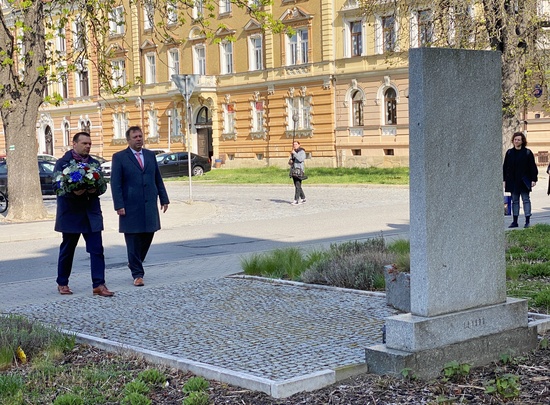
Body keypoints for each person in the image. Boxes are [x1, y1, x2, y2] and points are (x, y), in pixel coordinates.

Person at [54, 132, 114, 297]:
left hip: (91, 213)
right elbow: (57, 187)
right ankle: (62, 282)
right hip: (71, 214)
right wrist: (74, 192)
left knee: (97, 250)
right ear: (74, 144)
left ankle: (99, 285)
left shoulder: (94, 163)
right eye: (84, 143)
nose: (88, 146)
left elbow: (102, 185)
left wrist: (96, 189)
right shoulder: (63, 163)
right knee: (68, 249)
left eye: (89, 143)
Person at [110, 126, 170, 286]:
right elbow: (115, 183)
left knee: (149, 234)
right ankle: (137, 274)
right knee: (133, 239)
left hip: (149, 204)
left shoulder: (150, 155)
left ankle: (135, 262)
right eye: (135, 137)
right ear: (128, 140)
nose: (138, 139)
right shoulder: (120, 157)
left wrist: (164, 198)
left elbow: (157, 178)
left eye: (140, 136)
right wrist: (119, 204)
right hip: (130, 206)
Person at [503, 132, 538, 228]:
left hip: (524, 181)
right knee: (514, 201)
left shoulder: (527, 152)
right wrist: (505, 180)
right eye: (515, 139)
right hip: (513, 181)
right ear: (513, 141)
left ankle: (527, 220)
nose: (516, 141)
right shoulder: (509, 153)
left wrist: (533, 179)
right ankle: (515, 221)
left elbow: (532, 167)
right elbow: (505, 167)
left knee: (526, 200)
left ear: (522, 141)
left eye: (518, 140)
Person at [289, 140, 307, 205]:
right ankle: (303, 198)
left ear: (299, 145)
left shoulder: (302, 151)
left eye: (296, 144)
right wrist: (290, 161)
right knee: (297, 185)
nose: (294, 145)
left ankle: (296, 200)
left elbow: (301, 159)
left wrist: (295, 154)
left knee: (297, 185)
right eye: (294, 144)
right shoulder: (293, 152)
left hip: (299, 170)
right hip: (293, 170)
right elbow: (291, 161)